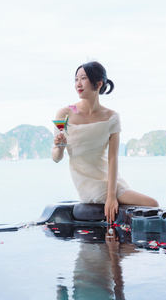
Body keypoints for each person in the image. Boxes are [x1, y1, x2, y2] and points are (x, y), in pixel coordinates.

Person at [52, 61, 158, 223]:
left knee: (152, 205)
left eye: (83, 78)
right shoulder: (64, 114)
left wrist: (111, 197)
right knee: (152, 204)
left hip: (110, 180)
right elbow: (56, 157)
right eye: (76, 79)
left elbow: (113, 158)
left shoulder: (111, 117)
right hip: (86, 182)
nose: (78, 84)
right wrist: (60, 146)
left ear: (99, 84)